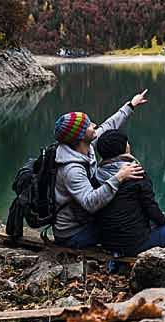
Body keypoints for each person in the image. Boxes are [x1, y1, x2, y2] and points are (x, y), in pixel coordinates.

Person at [51, 90, 148, 248]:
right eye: (89, 125)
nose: (94, 125)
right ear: (81, 136)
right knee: (127, 228)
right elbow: (90, 202)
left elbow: (108, 125)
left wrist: (131, 105)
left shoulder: (84, 146)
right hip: (73, 233)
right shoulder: (71, 170)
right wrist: (119, 177)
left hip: (84, 219)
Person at [94, 129, 165, 256]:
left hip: (107, 242)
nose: (129, 145)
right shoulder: (136, 174)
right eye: (126, 143)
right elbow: (150, 206)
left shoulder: (97, 175)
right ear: (123, 148)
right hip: (134, 244)